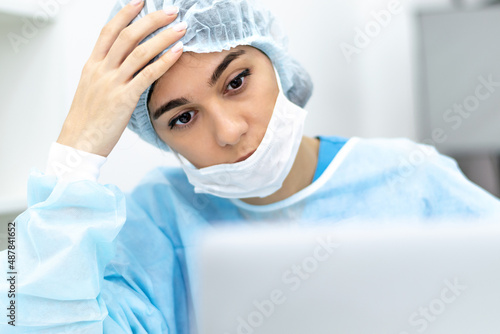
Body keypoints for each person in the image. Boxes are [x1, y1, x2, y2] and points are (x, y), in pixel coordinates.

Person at [1, 0, 499, 333]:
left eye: (236, 81)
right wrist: (77, 152)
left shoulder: (414, 179)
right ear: (160, 139)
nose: (229, 131)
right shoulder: (157, 221)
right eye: (183, 117)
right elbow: (25, 315)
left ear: (278, 62)